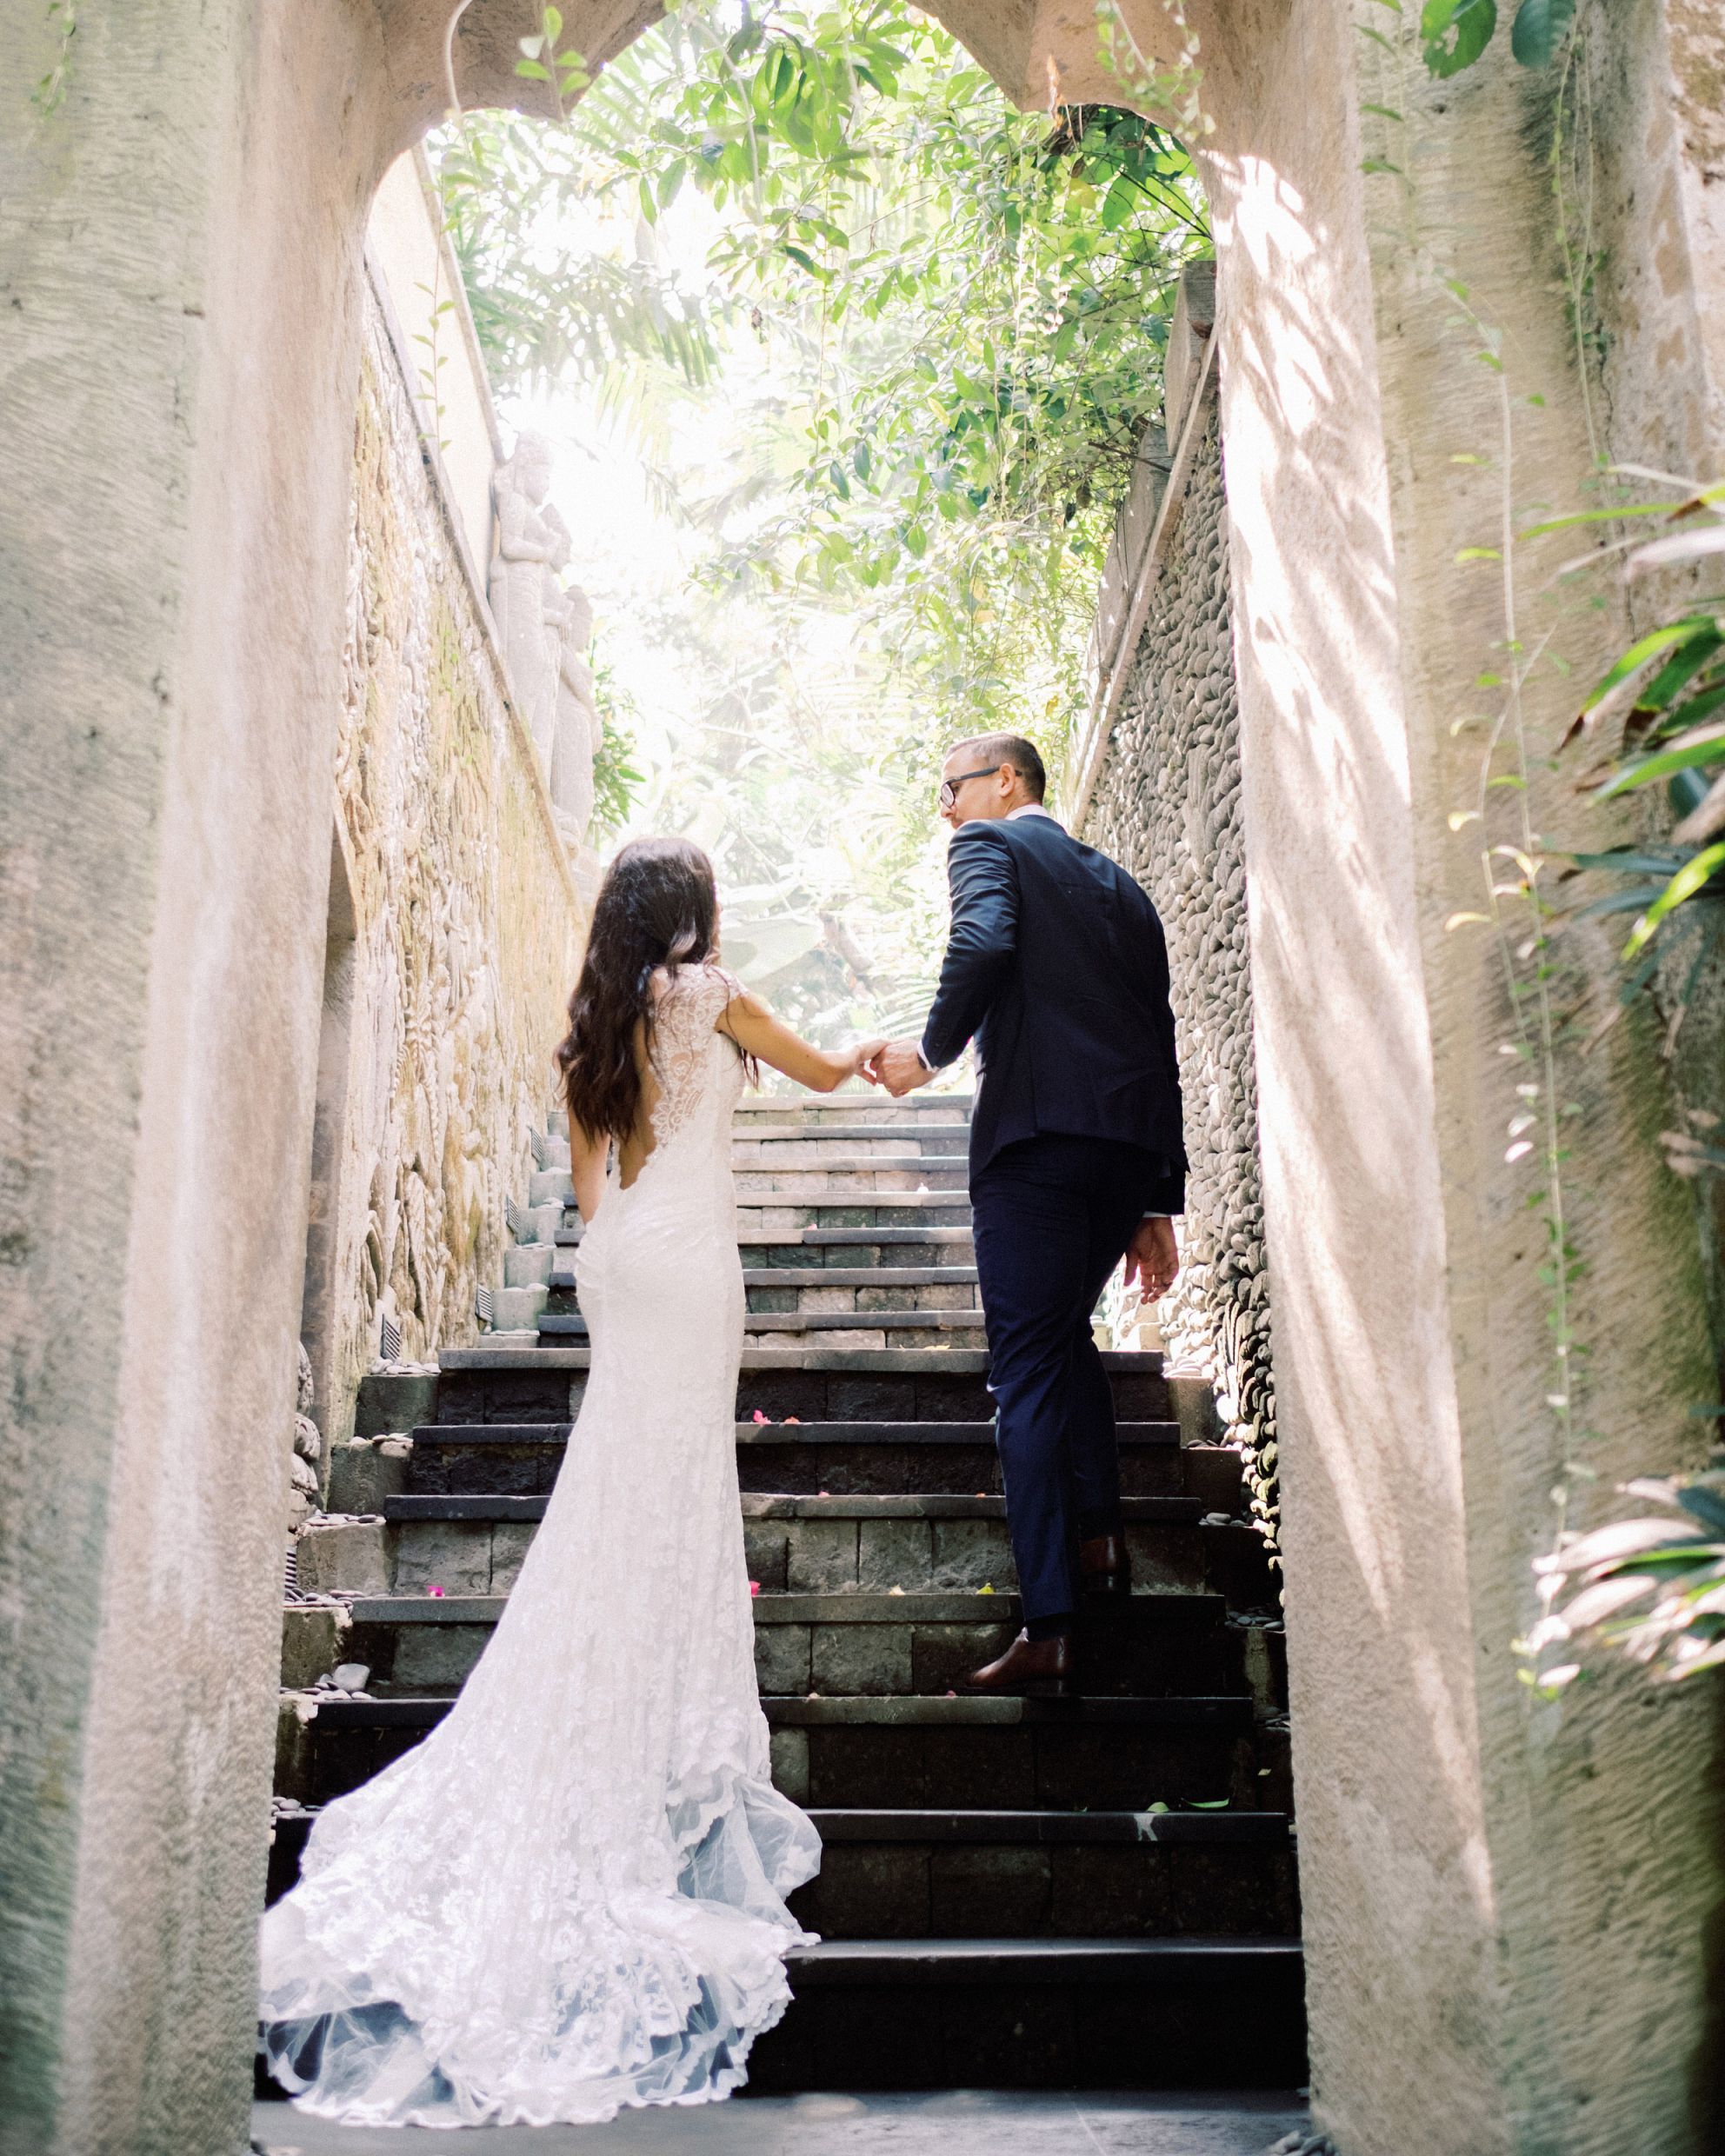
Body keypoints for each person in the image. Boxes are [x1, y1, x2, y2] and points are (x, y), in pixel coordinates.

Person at [259, 837, 884, 2127]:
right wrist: (893, 1048)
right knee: (675, 1499)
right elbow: (827, 1075)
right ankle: (654, 1737)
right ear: (695, 917)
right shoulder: (710, 995)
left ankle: (608, 1709)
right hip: (694, 1269)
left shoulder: (594, 1030)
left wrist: (618, 1263)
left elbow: (593, 1204)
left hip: (623, 1266)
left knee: (617, 1497)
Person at [867, 735, 1185, 1695]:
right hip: (1118, 1151)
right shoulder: (1124, 889)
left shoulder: (989, 846)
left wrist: (927, 1055)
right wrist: (1154, 1197)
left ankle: (1048, 1622)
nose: (945, 813)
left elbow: (983, 942)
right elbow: (1153, 1029)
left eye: (949, 789)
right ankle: (1098, 1545)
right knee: (1059, 1342)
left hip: (1036, 1146)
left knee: (1024, 1368)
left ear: (1005, 782)